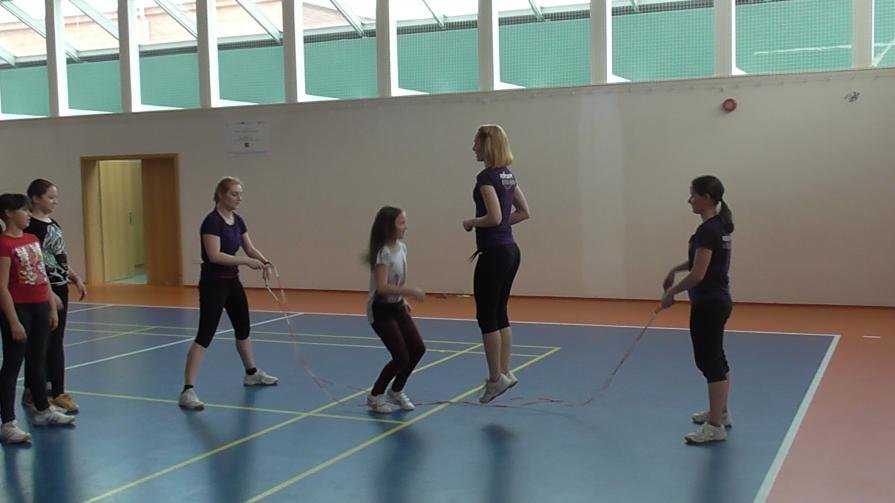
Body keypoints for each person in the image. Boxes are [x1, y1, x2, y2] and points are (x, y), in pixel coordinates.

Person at [178, 177, 278, 410]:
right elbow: (215, 256)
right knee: (205, 335)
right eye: (234, 193)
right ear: (221, 195)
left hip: (233, 282)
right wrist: (245, 262)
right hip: (213, 284)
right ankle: (187, 390)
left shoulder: (238, 220)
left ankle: (251, 373)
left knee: (243, 328)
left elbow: (249, 248)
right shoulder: (212, 222)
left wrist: (265, 262)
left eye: (240, 194)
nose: (239, 198)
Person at [660, 175, 734, 444]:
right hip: (718, 302)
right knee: (717, 359)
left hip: (709, 304)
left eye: (693, 194)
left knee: (709, 362)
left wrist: (671, 293)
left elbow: (699, 274)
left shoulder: (708, 230)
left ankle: (714, 427)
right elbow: (699, 262)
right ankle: (720, 413)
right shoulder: (718, 227)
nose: (689, 200)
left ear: (707, 198)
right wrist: (674, 269)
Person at [462, 124, 530, 404]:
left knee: (486, 316)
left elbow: (493, 216)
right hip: (511, 250)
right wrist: (501, 225)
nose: (473, 147)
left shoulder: (486, 177)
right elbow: (524, 212)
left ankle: (494, 378)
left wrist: (472, 222)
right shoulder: (508, 176)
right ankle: (504, 371)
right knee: (500, 312)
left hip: (494, 254)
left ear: (487, 144)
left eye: (476, 142)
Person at [1, 193, 75, 444]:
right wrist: (13, 321)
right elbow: (2, 287)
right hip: (19, 309)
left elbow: (42, 275)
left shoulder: (32, 239)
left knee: (37, 362)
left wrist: (51, 308)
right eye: (23, 210)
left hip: (40, 307)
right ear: (8, 213)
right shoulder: (4, 244)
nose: (27, 215)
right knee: (13, 364)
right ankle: (8, 422)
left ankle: (42, 410)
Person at [21, 179, 87, 413]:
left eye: (55, 197)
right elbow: (36, 263)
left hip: (60, 288)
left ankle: (58, 391)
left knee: (56, 342)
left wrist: (75, 277)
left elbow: (59, 256)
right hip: (42, 290)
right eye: (50, 197)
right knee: (41, 343)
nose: (55, 202)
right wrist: (48, 293)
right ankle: (34, 392)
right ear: (36, 198)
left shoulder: (54, 224)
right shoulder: (30, 228)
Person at [364, 206, 426, 414]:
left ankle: (396, 390)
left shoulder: (402, 248)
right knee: (401, 356)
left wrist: (402, 298)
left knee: (418, 348)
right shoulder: (383, 253)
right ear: (388, 227)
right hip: (381, 309)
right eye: (401, 223)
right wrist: (410, 292)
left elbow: (397, 279)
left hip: (397, 306)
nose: (405, 227)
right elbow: (382, 287)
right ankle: (375, 396)